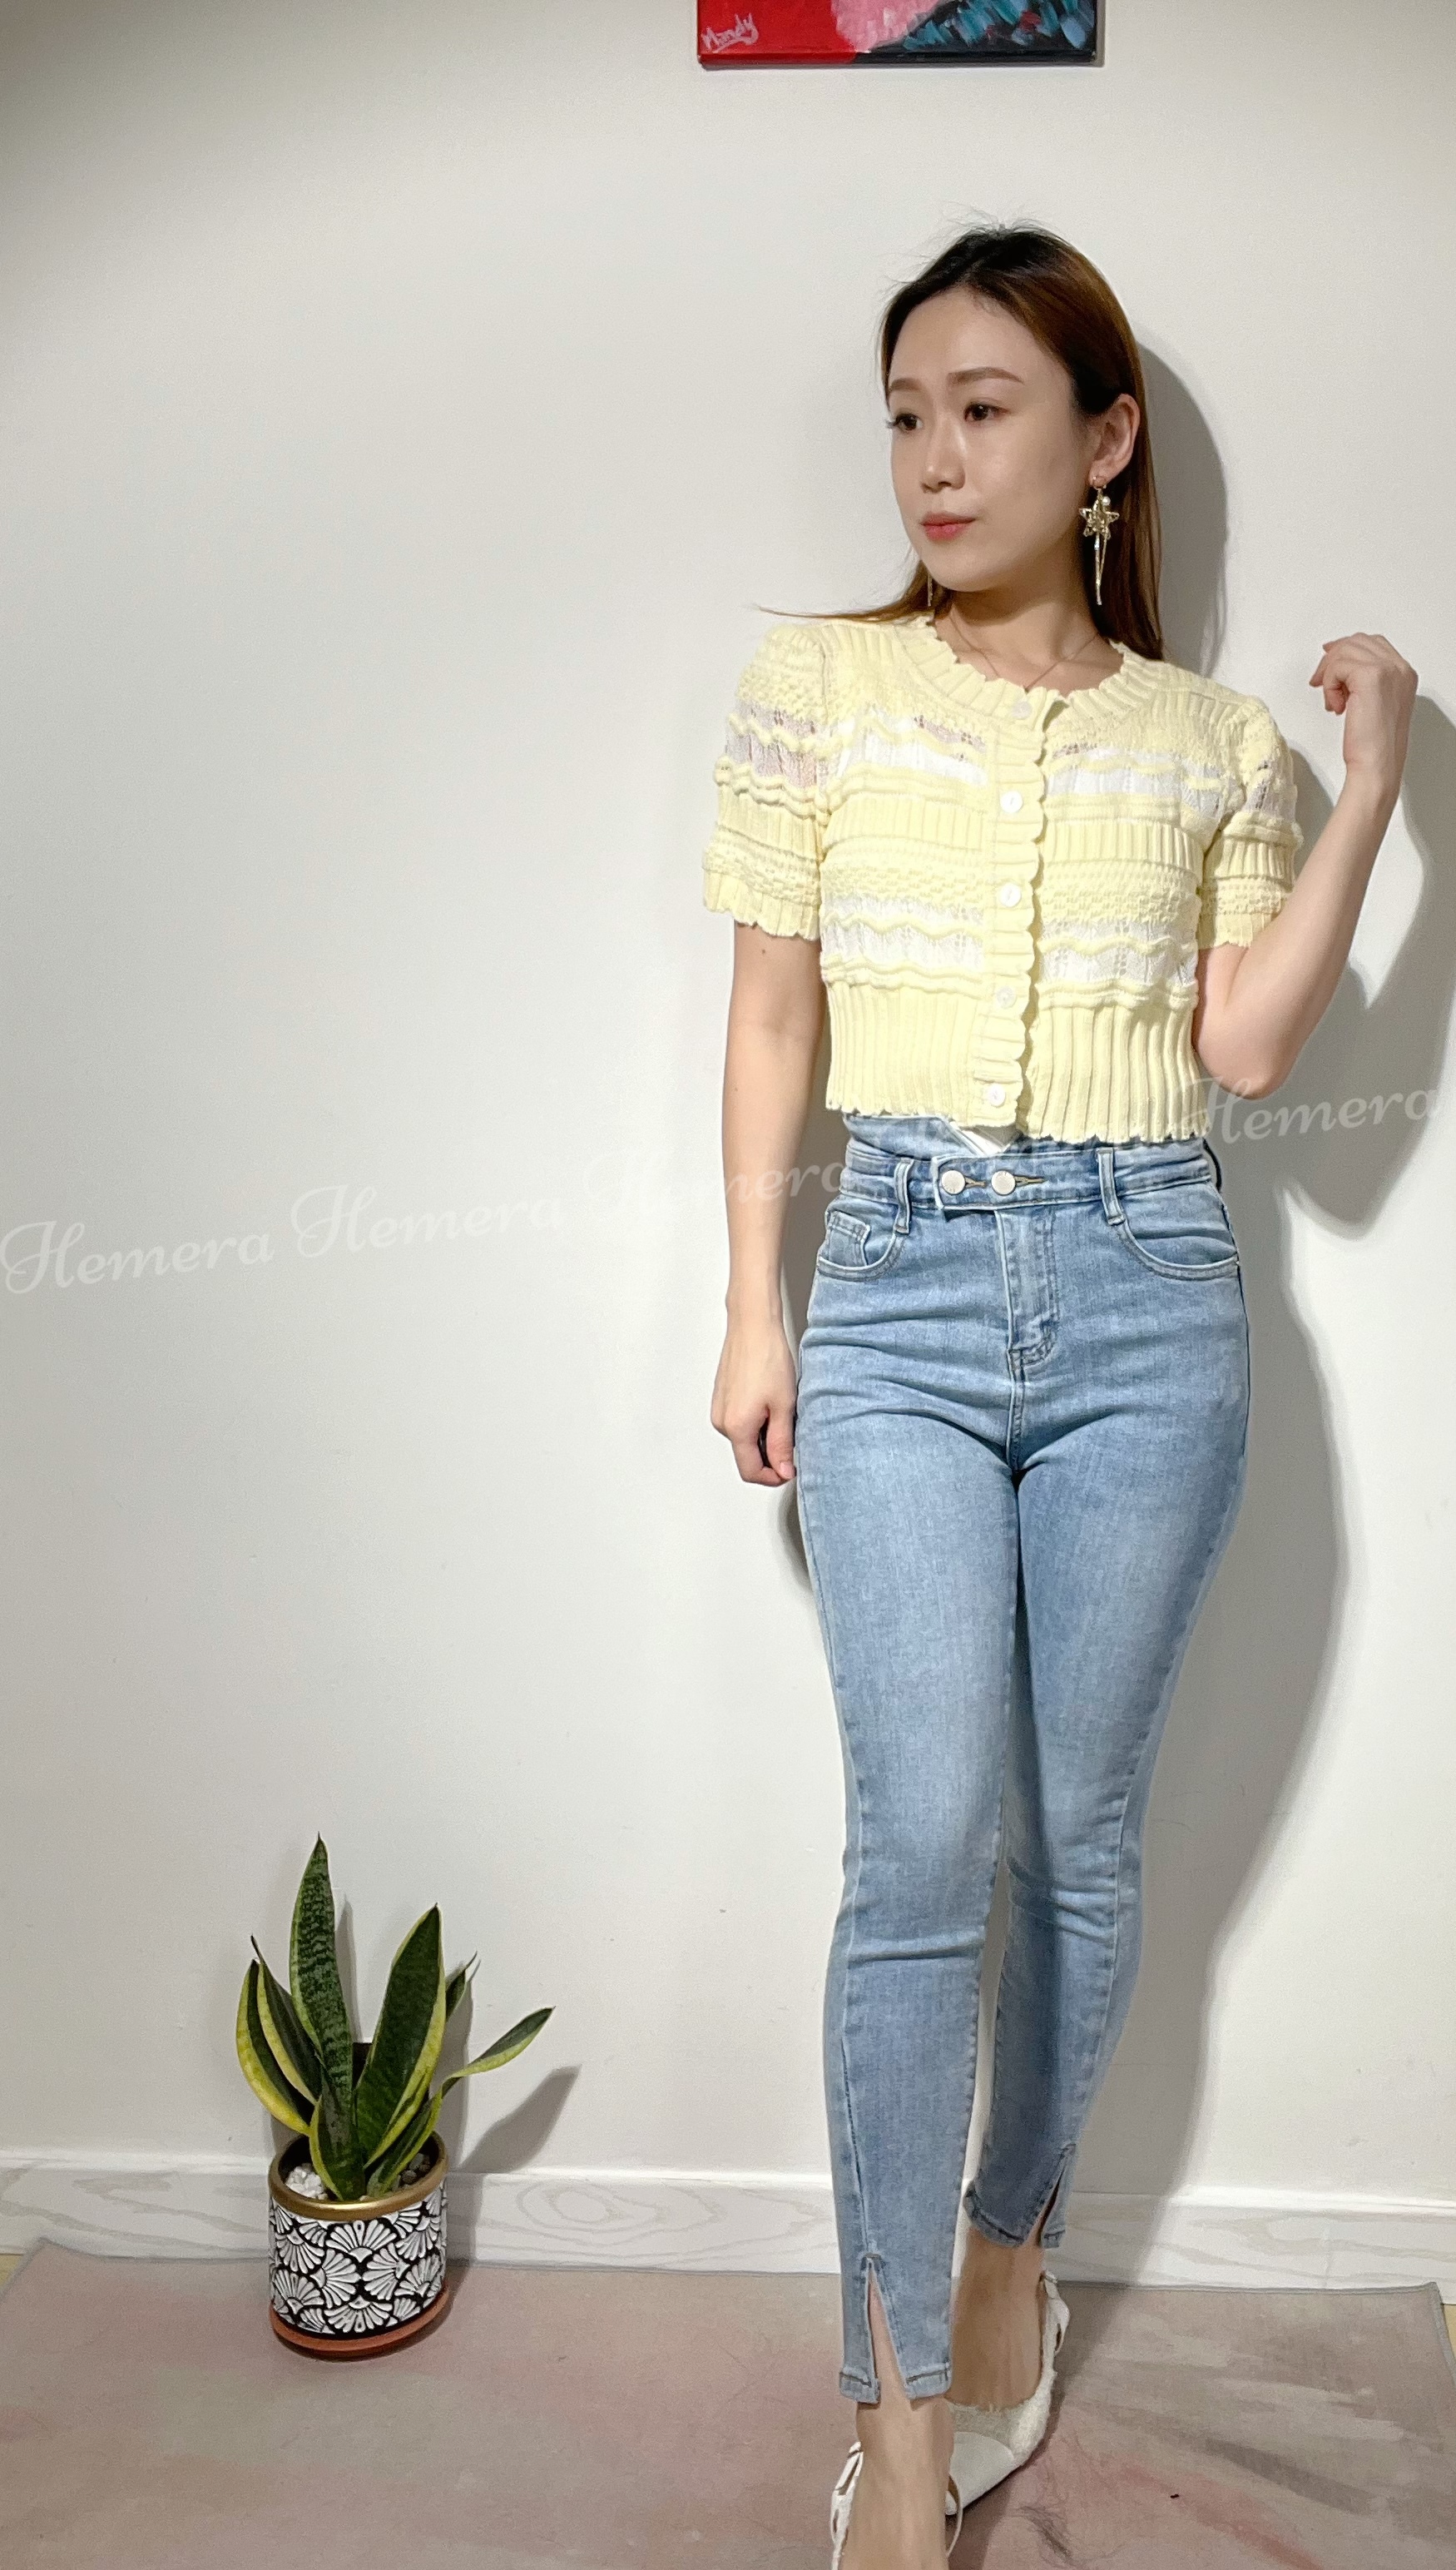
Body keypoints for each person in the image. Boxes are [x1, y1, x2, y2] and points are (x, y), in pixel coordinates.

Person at [703, 223, 1416, 2569]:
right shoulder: (816, 683)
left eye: (986, 408)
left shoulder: (1210, 742)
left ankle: (1015, 2248)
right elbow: (774, 1017)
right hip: (897, 1289)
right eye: (908, 413)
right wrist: (755, 1307)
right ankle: (903, 2414)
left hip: (1148, 1300)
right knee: (919, 1852)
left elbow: (1250, 1052)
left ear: (1105, 443)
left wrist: (1372, 785)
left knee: (1074, 1851)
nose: (934, 456)